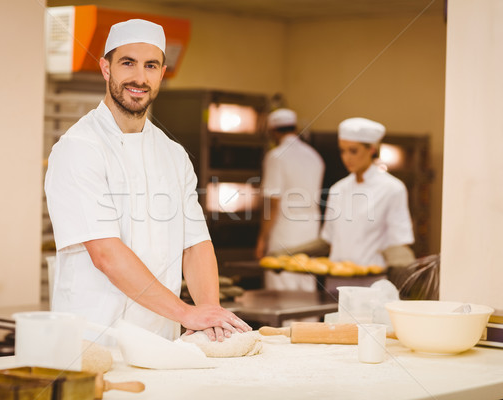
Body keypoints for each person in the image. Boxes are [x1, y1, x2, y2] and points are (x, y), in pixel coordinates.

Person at [45, 19, 250, 344]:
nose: (140, 77)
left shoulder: (173, 154)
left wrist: (209, 312)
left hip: (159, 341)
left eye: (151, 65)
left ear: (161, 73)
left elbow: (195, 243)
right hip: (93, 341)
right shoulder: (79, 148)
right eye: (128, 63)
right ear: (106, 68)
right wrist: (186, 313)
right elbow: (106, 254)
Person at [321, 117, 415, 269]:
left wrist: (404, 269)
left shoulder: (392, 189)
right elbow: (328, 239)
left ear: (371, 149)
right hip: (336, 282)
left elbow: (399, 241)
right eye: (342, 151)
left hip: (372, 284)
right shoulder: (337, 189)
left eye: (353, 151)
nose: (346, 158)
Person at [255, 108, 325, 291]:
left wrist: (262, 239)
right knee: (306, 285)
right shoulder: (315, 156)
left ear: (273, 131)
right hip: (311, 230)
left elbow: (273, 202)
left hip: (285, 230)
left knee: (283, 287)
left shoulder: (276, 156)